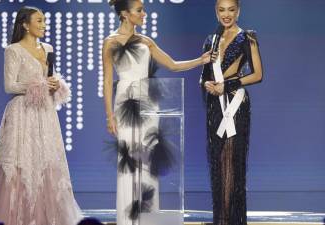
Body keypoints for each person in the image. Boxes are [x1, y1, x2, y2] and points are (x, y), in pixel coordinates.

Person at [103, 1, 216, 225]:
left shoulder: (146, 41)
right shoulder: (110, 42)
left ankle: (147, 218)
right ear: (125, 14)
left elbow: (172, 65)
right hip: (125, 100)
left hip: (148, 99)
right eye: (139, 10)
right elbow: (107, 81)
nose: (144, 14)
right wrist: (109, 116)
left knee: (147, 158)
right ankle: (127, 220)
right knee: (128, 158)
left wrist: (200, 61)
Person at [0, 6, 82, 225]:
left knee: (46, 161)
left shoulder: (48, 48)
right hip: (22, 114)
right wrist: (40, 84)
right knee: (21, 162)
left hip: (44, 114)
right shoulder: (13, 50)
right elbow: (10, 85)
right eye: (39, 21)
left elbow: (48, 79)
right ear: (25, 25)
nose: (44, 25)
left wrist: (55, 85)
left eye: (44, 21)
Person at [200, 0, 263, 224]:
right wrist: (207, 84)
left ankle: (232, 220)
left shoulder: (248, 37)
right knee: (218, 164)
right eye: (221, 10)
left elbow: (257, 75)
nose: (226, 14)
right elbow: (205, 75)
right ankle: (221, 218)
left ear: (239, 11)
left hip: (235, 106)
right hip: (215, 106)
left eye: (231, 9)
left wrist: (227, 85)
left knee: (232, 164)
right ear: (216, 12)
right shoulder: (211, 40)